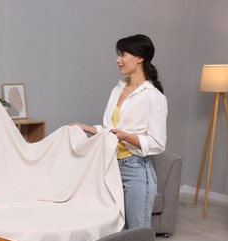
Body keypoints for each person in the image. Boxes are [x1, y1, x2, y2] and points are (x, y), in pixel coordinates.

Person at [71, 34, 167, 230]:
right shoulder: (118, 88)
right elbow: (110, 129)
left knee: (137, 238)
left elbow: (157, 143)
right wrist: (89, 128)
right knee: (115, 235)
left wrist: (126, 136)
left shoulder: (153, 97)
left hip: (137, 172)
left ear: (139, 57)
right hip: (111, 168)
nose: (118, 60)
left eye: (123, 54)